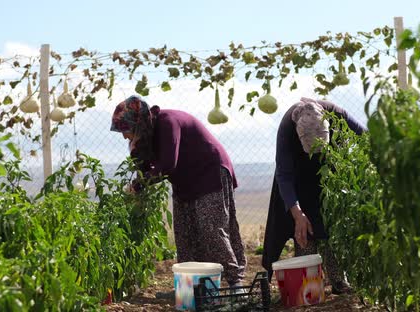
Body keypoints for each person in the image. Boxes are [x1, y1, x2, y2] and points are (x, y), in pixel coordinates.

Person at [110, 95, 247, 290]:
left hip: (209, 171)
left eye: (127, 130)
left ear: (139, 124)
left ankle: (235, 283)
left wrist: (139, 184)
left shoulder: (168, 122)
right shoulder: (146, 135)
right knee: (185, 232)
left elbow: (167, 164)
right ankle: (193, 287)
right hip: (185, 179)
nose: (124, 136)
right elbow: (144, 166)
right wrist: (136, 157)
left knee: (211, 227)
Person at [261, 97, 367, 294]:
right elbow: (283, 174)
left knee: (331, 225)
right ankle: (309, 285)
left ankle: (338, 280)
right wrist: (297, 213)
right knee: (304, 231)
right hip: (297, 178)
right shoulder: (286, 127)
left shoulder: (336, 112)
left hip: (330, 173)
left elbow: (365, 137)